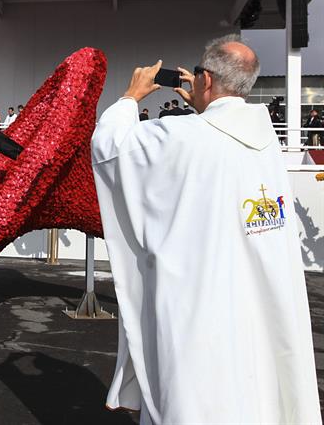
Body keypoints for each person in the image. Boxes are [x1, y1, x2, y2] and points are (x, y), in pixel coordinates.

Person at [91, 35, 320, 424]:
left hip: (201, 305)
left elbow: (111, 146)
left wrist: (130, 97)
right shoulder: (265, 142)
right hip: (258, 298)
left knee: (198, 396)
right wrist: (202, 107)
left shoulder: (182, 136)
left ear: (207, 79)